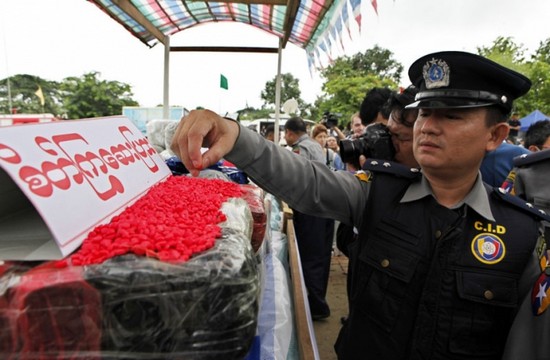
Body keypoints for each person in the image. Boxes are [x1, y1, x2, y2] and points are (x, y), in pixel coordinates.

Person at [171, 51, 550, 359]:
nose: (429, 127)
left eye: (451, 116)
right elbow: (307, 182)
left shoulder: (521, 236)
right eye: (425, 113)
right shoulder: (377, 194)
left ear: (496, 135)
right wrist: (236, 136)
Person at [282, 117, 334, 320]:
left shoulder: (300, 148)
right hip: (325, 206)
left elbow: (298, 179)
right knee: (320, 256)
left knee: (310, 256)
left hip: (311, 208)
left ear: (289, 132)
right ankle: (318, 301)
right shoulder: (314, 145)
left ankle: (316, 306)